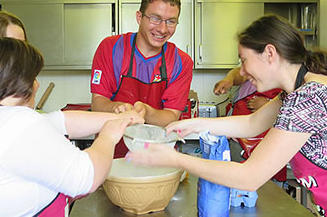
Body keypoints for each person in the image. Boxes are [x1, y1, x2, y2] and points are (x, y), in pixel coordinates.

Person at [126, 15, 327, 217]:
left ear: (269, 53)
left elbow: (250, 176)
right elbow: (251, 123)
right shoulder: (298, 91)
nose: (241, 71)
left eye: (243, 60)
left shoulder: (308, 99)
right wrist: (196, 124)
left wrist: (175, 159)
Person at [0, 38, 144, 216]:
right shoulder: (18, 122)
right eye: (33, 78)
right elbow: (87, 177)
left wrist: (120, 118)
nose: (37, 85)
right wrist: (108, 136)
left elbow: (61, 121)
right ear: (16, 83)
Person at [90, 0, 193, 158]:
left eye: (171, 21)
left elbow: (171, 116)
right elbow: (98, 103)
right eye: (155, 18)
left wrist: (146, 111)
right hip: (112, 151)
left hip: (157, 155)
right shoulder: (111, 49)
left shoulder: (181, 62)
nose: (162, 29)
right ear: (139, 17)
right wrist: (117, 107)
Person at [214, 67, 286, 182]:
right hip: (241, 143)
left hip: (271, 143)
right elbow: (240, 73)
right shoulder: (250, 71)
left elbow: (293, 111)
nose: (243, 70)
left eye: (244, 59)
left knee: (268, 188)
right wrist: (230, 79)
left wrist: (267, 105)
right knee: (240, 184)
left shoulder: (286, 77)